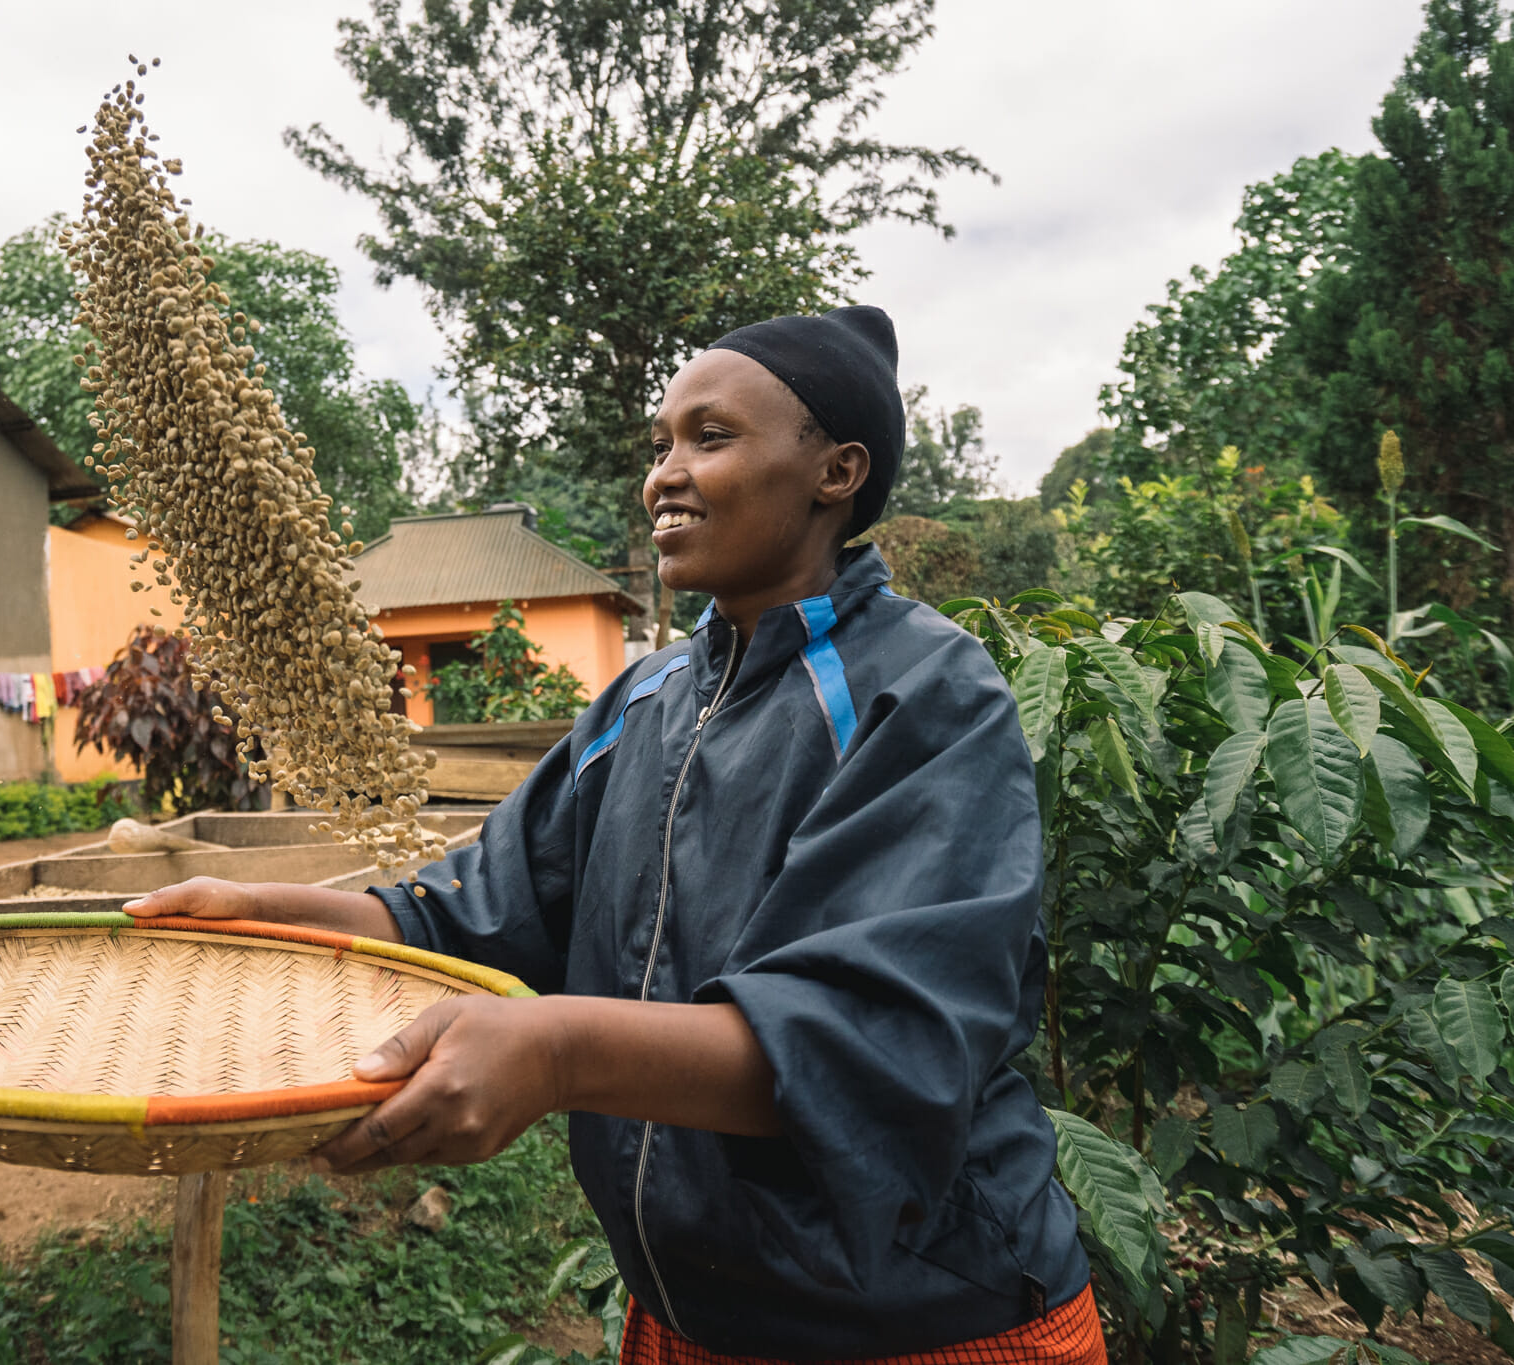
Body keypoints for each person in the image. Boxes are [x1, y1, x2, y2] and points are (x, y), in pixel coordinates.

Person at [127, 306, 1102, 1364]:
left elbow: (873, 1045)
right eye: (659, 445)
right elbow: (468, 917)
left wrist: (556, 1052)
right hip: (683, 1320)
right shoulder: (645, 699)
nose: (663, 476)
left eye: (710, 438)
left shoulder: (924, 691)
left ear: (837, 472)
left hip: (917, 1324)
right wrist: (277, 914)